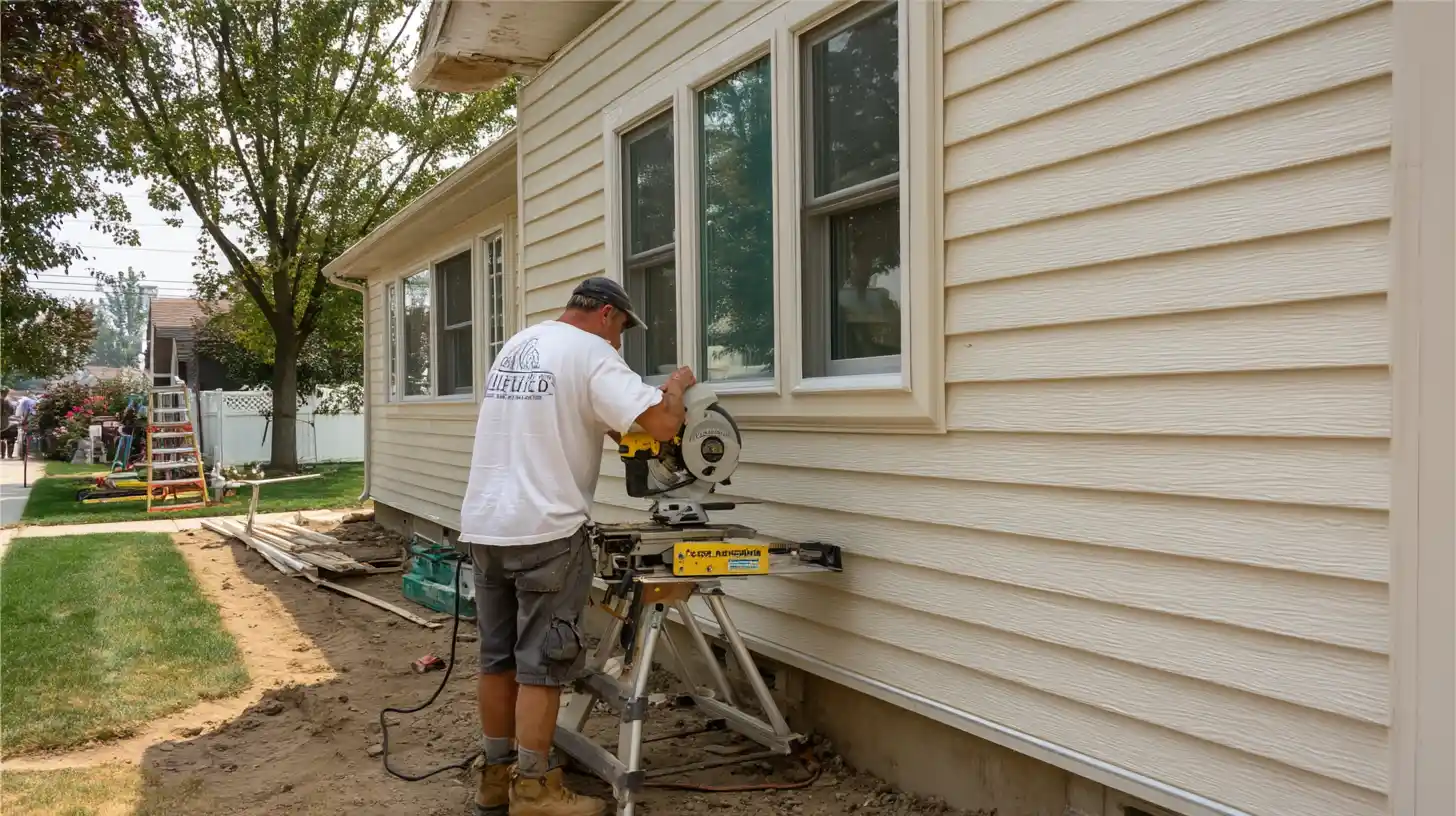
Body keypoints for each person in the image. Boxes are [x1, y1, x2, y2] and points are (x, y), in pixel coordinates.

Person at [459, 277, 694, 816]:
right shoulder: (591, 352)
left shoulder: (520, 345)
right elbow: (660, 424)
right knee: (542, 664)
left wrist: (614, 427)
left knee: (497, 661)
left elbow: (566, 418)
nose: (618, 344)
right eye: (621, 332)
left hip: (487, 525)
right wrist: (677, 386)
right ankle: (536, 791)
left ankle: (495, 778)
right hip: (545, 532)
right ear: (607, 315)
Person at [0, 389, 17, 459]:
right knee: (10, 438)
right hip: (6, 423)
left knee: (1, 439)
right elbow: (11, 411)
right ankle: (9, 455)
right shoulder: (8, 401)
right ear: (5, 393)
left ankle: (2, 455)